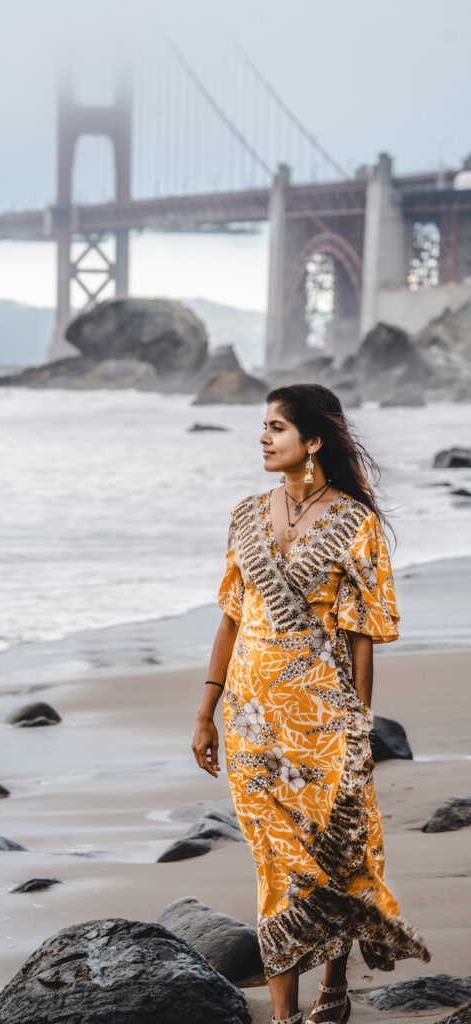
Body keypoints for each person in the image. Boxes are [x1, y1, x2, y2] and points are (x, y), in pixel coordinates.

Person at [191, 384, 430, 1024]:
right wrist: (204, 712)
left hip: (323, 720)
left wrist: (360, 726)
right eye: (262, 427)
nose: (263, 438)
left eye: (277, 427)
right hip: (247, 717)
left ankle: (333, 986)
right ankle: (285, 1017)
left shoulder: (356, 523)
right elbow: (230, 618)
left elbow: (361, 636)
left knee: (332, 852)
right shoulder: (246, 514)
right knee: (275, 861)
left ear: (313, 440)